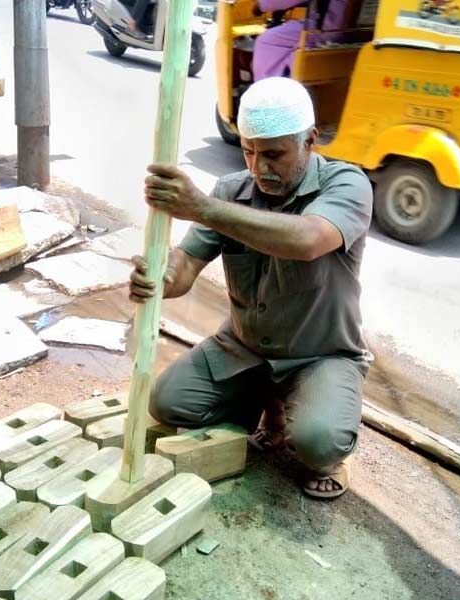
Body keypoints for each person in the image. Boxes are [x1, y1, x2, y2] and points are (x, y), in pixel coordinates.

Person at [130, 77, 373, 499]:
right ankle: (267, 408)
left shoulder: (347, 184)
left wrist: (202, 207)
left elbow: (307, 239)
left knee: (318, 441)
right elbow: (186, 266)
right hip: (243, 349)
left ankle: (320, 432)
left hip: (320, 354)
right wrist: (161, 277)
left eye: (274, 154)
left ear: (311, 140)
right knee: (166, 401)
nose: (259, 167)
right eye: (249, 150)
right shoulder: (232, 192)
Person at [252, 0, 354, 80]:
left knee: (267, 41)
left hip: (324, 30)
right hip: (353, 32)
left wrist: (261, 5)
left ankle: (269, 95)